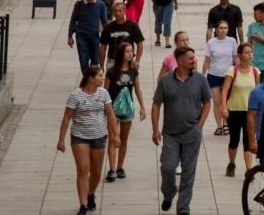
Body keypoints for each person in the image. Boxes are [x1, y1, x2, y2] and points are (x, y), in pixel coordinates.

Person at [151, 45, 212, 214]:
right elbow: (156, 105)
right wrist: (155, 129)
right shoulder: (165, 81)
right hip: (170, 134)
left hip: (192, 133)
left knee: (188, 172)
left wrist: (200, 125)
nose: (194, 60)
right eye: (190, 58)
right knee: (167, 167)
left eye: (194, 57)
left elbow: (207, 102)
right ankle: (169, 193)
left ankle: (183, 208)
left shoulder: (200, 79)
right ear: (180, 61)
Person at [57, 65, 119, 215]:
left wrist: (115, 135)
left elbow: (110, 115)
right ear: (91, 78)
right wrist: (61, 140)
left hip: (99, 136)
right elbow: (67, 117)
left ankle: (91, 193)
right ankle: (83, 204)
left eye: (102, 75)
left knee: (96, 172)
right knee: (83, 170)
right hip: (80, 137)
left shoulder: (103, 94)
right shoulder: (76, 95)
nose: (102, 78)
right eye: (99, 76)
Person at [104, 42, 145, 183]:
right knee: (114, 138)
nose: (130, 53)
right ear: (121, 53)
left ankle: (120, 167)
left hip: (127, 109)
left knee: (124, 138)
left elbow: (138, 89)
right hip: (113, 110)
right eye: (127, 51)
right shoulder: (111, 72)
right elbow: (105, 91)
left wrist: (142, 106)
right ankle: (112, 169)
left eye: (131, 51)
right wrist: (106, 109)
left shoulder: (133, 71)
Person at [221, 42, 260, 177]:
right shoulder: (233, 70)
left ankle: (249, 170)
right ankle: (231, 163)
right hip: (234, 110)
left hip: (250, 112)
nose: (250, 55)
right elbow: (225, 90)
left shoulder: (256, 71)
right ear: (240, 55)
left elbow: (257, 92)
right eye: (246, 52)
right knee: (234, 139)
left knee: (249, 141)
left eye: (251, 52)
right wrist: (224, 107)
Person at [204, 21, 239, 136]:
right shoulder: (211, 43)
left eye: (225, 28)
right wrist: (202, 75)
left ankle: (226, 124)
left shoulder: (232, 41)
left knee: (227, 101)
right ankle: (219, 125)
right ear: (216, 29)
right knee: (217, 101)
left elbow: (235, 57)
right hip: (214, 74)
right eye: (221, 28)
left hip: (228, 75)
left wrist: (239, 72)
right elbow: (207, 60)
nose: (223, 30)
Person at [68, 0, 109, 74]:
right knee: (83, 61)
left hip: (94, 36)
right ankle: (86, 80)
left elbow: (104, 21)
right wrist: (70, 36)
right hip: (81, 36)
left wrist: (106, 36)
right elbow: (73, 20)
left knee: (95, 60)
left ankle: (92, 78)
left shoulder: (100, 5)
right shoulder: (79, 5)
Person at [101, 0, 144, 66]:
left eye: (120, 11)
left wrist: (137, 60)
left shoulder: (133, 26)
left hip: (128, 61)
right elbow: (103, 47)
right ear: (113, 12)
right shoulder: (108, 27)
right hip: (112, 61)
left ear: (124, 11)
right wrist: (101, 65)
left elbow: (140, 44)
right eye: (115, 11)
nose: (118, 13)